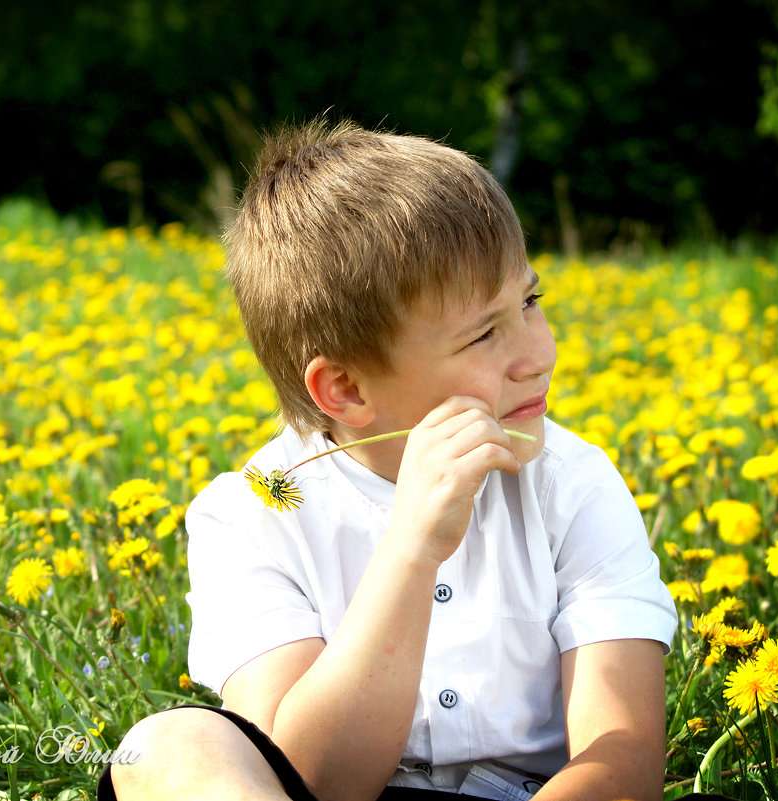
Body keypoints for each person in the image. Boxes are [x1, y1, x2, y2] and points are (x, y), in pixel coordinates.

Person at [102, 119, 679, 801]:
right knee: (167, 747)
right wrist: (411, 548)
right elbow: (312, 778)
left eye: (529, 302)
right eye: (484, 334)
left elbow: (627, 757)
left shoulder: (573, 484)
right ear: (346, 388)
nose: (537, 355)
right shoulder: (251, 514)